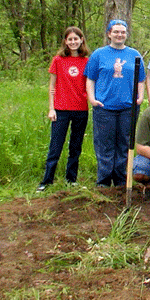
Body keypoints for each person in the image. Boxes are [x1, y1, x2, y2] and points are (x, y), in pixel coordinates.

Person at [85, 19, 145, 187]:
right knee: (105, 145)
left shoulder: (134, 54)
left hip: (128, 108)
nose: (119, 35)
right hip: (105, 108)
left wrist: (140, 98)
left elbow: (141, 79)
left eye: (123, 32)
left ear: (126, 34)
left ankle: (120, 180)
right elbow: (90, 78)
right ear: (109, 34)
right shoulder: (99, 54)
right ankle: (104, 181)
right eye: (116, 32)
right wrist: (92, 99)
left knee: (124, 144)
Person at [37, 27, 90, 192]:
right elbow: (52, 86)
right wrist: (51, 108)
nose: (73, 42)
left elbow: (90, 85)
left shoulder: (87, 61)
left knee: (75, 146)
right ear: (65, 42)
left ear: (81, 40)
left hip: (81, 109)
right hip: (61, 109)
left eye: (76, 39)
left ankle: (71, 179)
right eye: (70, 39)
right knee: (55, 146)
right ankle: (47, 181)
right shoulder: (58, 60)